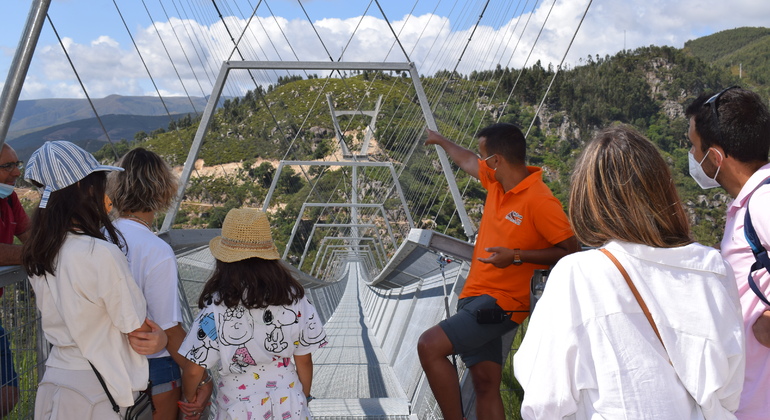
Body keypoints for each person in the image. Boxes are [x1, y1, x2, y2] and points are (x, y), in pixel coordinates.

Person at [514, 125, 745, 419]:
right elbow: (730, 388)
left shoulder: (576, 276)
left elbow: (545, 398)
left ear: (588, 199)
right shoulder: (712, 268)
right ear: (661, 189)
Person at [417, 123, 579, 420]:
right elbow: (466, 160)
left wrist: (516, 256)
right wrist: (440, 140)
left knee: (429, 346)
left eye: (484, 156)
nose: (480, 162)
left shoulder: (539, 200)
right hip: (475, 296)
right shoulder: (496, 183)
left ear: (496, 160)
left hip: (502, 304)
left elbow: (572, 251)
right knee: (486, 385)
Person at [21, 140, 168, 419]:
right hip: (98, 392)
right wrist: (159, 340)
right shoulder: (100, 253)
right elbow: (137, 330)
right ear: (83, 188)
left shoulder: (40, 252)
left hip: (56, 381)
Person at [178, 208, 327, 420]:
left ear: (224, 260)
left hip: (238, 406)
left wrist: (191, 399)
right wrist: (303, 397)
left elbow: (193, 370)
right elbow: (304, 360)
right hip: (289, 401)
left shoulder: (217, 307)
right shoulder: (295, 298)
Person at [107, 147, 212, 420]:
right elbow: (168, 328)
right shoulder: (156, 249)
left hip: (103, 367)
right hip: (153, 371)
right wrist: (199, 377)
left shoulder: (96, 239)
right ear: (162, 191)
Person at [685, 86, 770, 420]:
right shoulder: (753, 201)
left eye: (694, 146)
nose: (692, 156)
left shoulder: (763, 202)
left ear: (716, 157)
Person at [0, 143, 29, 417]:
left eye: (16, 163)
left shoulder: (9, 199)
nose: (16, 171)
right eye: (7, 166)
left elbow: (32, 237)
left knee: (8, 395)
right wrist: (34, 255)